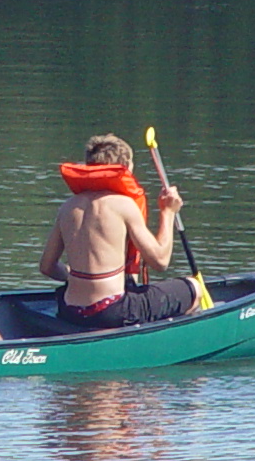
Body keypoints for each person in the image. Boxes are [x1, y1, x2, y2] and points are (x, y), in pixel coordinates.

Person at [38, 132, 196, 328]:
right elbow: (161, 261)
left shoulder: (68, 207)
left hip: (69, 309)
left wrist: (75, 277)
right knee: (193, 288)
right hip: (111, 311)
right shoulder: (123, 205)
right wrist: (168, 212)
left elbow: (47, 266)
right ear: (126, 168)